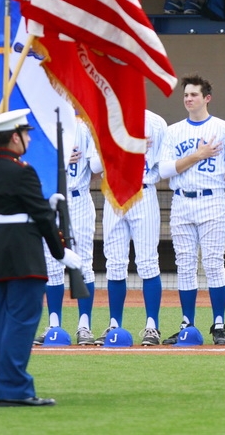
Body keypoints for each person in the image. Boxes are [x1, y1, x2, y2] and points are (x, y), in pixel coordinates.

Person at [0, 109, 82, 406]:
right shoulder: (22, 170)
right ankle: (14, 388)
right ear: (15, 137)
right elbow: (40, 216)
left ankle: (3, 384)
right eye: (25, 134)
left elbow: (14, 205)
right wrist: (60, 252)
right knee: (21, 322)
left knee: (2, 321)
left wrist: (44, 206)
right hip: (22, 252)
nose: (29, 139)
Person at [158, 75, 225, 345]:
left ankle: (219, 324)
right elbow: (164, 170)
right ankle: (187, 324)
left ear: (207, 98)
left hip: (212, 199)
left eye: (194, 94)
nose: (189, 99)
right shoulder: (173, 131)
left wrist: (215, 179)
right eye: (186, 95)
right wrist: (197, 155)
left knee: (213, 263)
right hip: (182, 199)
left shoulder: (224, 129)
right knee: (184, 264)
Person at [91, 110, 167, 347]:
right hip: (114, 193)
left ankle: (152, 326)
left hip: (143, 191)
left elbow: (163, 166)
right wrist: (124, 146)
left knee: (148, 262)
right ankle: (114, 324)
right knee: (114, 263)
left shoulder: (156, 122)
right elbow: (95, 164)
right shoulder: (104, 120)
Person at [34, 115, 99, 347]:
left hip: (78, 198)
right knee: (52, 265)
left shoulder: (85, 127)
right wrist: (58, 160)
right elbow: (32, 164)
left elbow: (95, 168)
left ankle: (84, 326)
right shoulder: (42, 126)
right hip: (50, 199)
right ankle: (54, 325)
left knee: (84, 264)